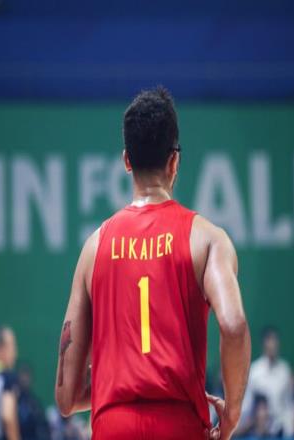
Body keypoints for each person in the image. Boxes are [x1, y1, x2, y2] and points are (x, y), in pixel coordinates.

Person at [54, 86, 251, 440]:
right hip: (180, 425)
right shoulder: (207, 239)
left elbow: (66, 397)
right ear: (174, 161)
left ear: (126, 161)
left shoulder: (94, 248)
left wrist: (115, 384)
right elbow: (234, 326)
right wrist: (232, 414)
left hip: (112, 427)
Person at [238, 326, 294, 436]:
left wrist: (290, 429)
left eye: (275, 341)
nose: (273, 345)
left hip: (281, 430)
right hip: (259, 430)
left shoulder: (285, 370)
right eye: (270, 341)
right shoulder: (255, 371)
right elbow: (247, 404)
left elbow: (289, 404)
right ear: (264, 344)